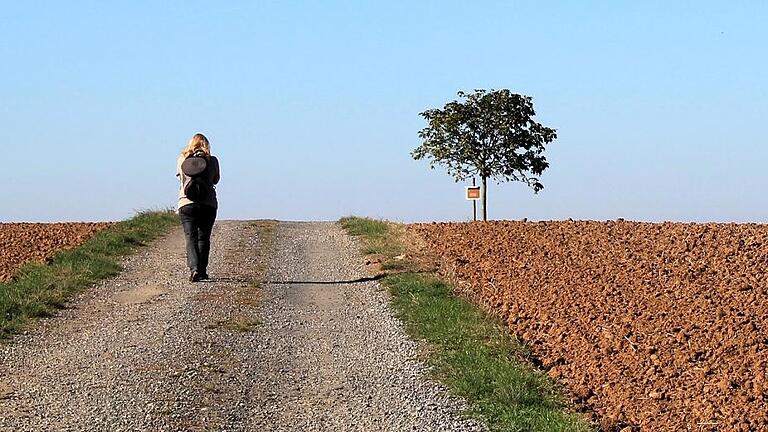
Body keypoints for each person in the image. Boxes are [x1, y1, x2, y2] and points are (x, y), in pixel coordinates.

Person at [176, 133, 220, 282]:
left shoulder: (182, 159)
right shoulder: (212, 160)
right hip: (208, 204)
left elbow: (180, 179)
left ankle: (194, 269)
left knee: (190, 237)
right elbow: (216, 180)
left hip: (186, 203)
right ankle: (202, 270)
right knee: (204, 237)